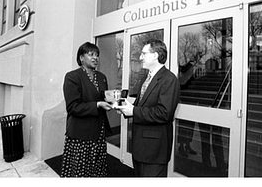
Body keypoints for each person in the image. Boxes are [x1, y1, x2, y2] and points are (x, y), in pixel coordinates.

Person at [116, 39, 180, 177]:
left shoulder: (169, 79)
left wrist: (134, 111)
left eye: (143, 53)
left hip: (154, 152)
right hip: (141, 148)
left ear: (155, 55)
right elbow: (143, 106)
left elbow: (164, 113)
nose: (140, 57)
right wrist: (127, 109)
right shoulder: (147, 77)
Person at [61, 42, 113, 177]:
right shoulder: (72, 77)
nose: (95, 57)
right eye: (91, 54)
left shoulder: (102, 77)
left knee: (97, 170)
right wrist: (97, 105)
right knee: (80, 172)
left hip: (98, 132)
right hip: (81, 134)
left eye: (97, 55)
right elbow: (73, 107)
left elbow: (102, 97)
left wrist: (113, 102)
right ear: (81, 58)